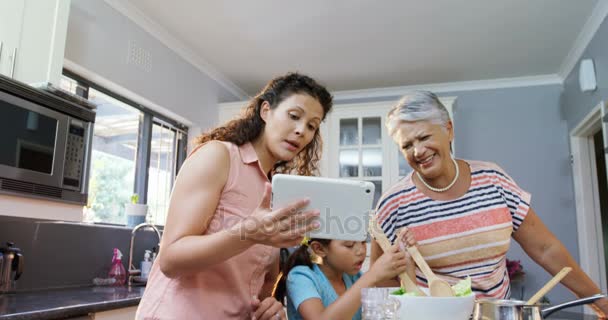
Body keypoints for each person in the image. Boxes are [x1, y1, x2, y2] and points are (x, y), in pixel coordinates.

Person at [370, 90, 608, 317]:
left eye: (424, 137)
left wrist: (597, 299)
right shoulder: (394, 203)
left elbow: (546, 249)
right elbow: (380, 280)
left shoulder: (493, 180)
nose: (418, 151)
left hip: (496, 315)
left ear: (449, 130)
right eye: (407, 145)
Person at [136, 72, 333, 320]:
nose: (301, 131)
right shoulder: (219, 157)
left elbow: (261, 283)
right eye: (294, 116)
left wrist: (270, 305)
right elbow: (171, 260)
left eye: (312, 126)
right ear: (265, 111)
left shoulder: (275, 191)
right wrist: (247, 233)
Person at [274, 237, 411, 320]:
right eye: (349, 245)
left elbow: (406, 298)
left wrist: (407, 255)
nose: (361, 251)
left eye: (363, 242)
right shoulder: (300, 277)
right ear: (319, 249)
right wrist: (372, 275)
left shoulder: (354, 277)